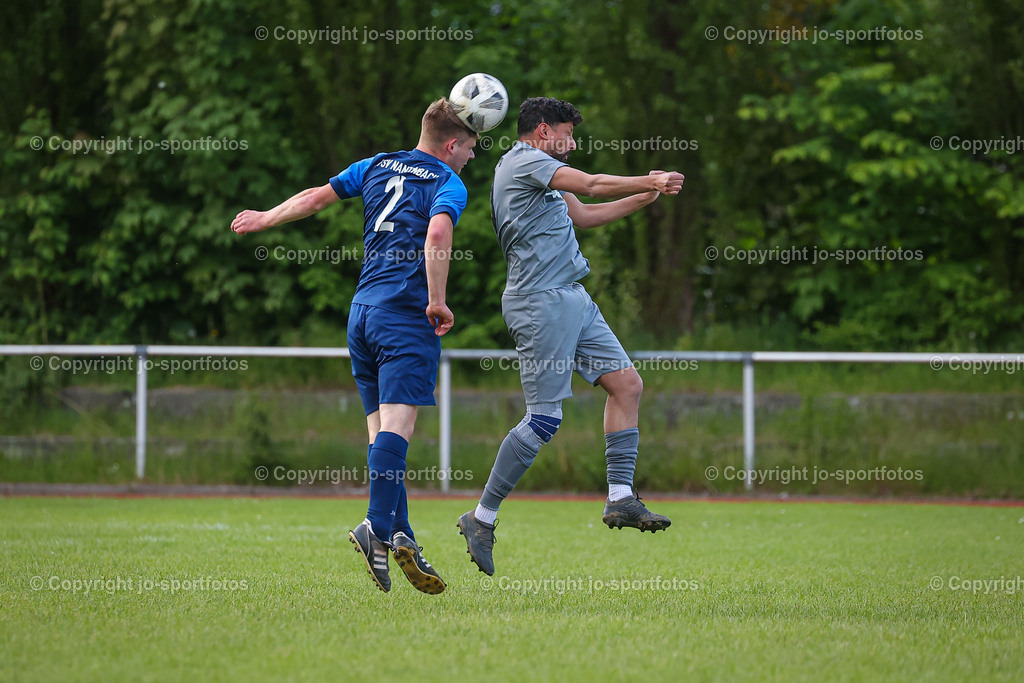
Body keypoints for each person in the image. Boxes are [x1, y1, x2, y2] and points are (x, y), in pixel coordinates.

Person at [232, 99, 478, 594]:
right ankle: (375, 527)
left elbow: (314, 197)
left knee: (381, 438)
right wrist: (437, 301)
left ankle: (401, 532)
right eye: (471, 148)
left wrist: (265, 218)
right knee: (399, 433)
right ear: (453, 144)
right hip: (404, 319)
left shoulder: (376, 164)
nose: (471, 157)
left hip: (361, 315)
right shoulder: (447, 183)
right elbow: (436, 234)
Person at [457, 97, 684, 576]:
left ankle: (621, 498)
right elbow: (592, 182)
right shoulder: (523, 163)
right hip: (539, 301)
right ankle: (481, 517)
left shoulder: (543, 173)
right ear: (543, 131)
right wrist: (650, 179)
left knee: (627, 385)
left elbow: (584, 213)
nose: (573, 143)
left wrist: (644, 199)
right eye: (568, 133)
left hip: (572, 298)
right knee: (543, 420)